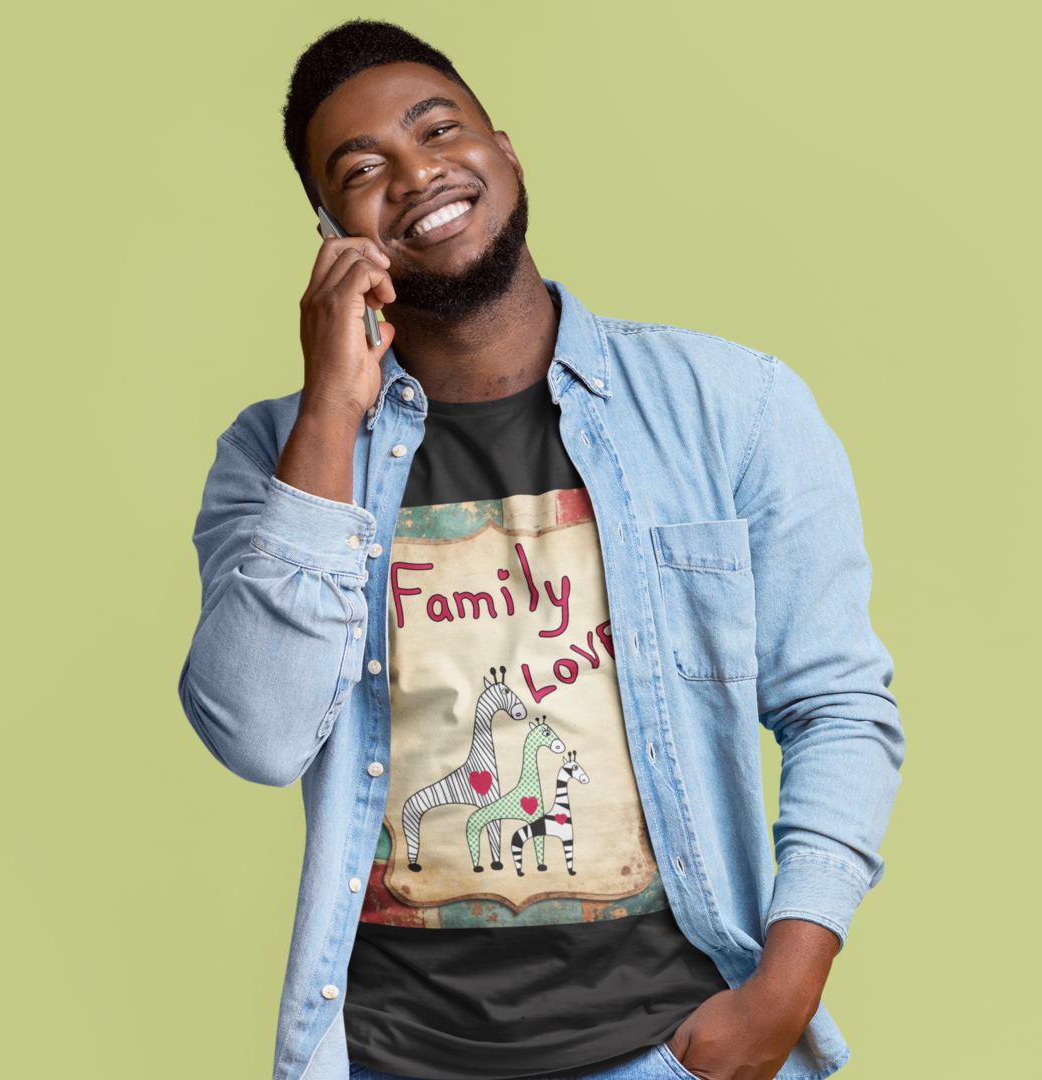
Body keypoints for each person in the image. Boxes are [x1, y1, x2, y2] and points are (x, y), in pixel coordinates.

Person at [179, 20, 903, 1080]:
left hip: (675, 1050)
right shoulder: (277, 457)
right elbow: (256, 736)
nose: (418, 170)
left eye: (440, 128)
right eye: (364, 169)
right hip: (388, 1057)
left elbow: (836, 705)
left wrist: (786, 989)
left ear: (504, 151)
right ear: (334, 229)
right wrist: (333, 411)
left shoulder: (731, 409)